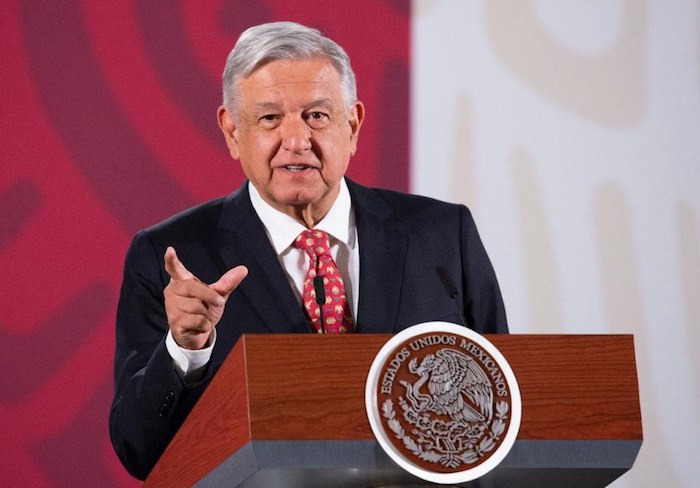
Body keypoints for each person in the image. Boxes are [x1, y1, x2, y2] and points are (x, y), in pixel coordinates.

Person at [110, 21, 508, 480]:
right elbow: (138, 451)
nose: (296, 141)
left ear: (353, 124)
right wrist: (184, 351)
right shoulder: (173, 257)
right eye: (269, 118)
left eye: (317, 115)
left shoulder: (441, 234)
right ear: (232, 131)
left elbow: (506, 402)